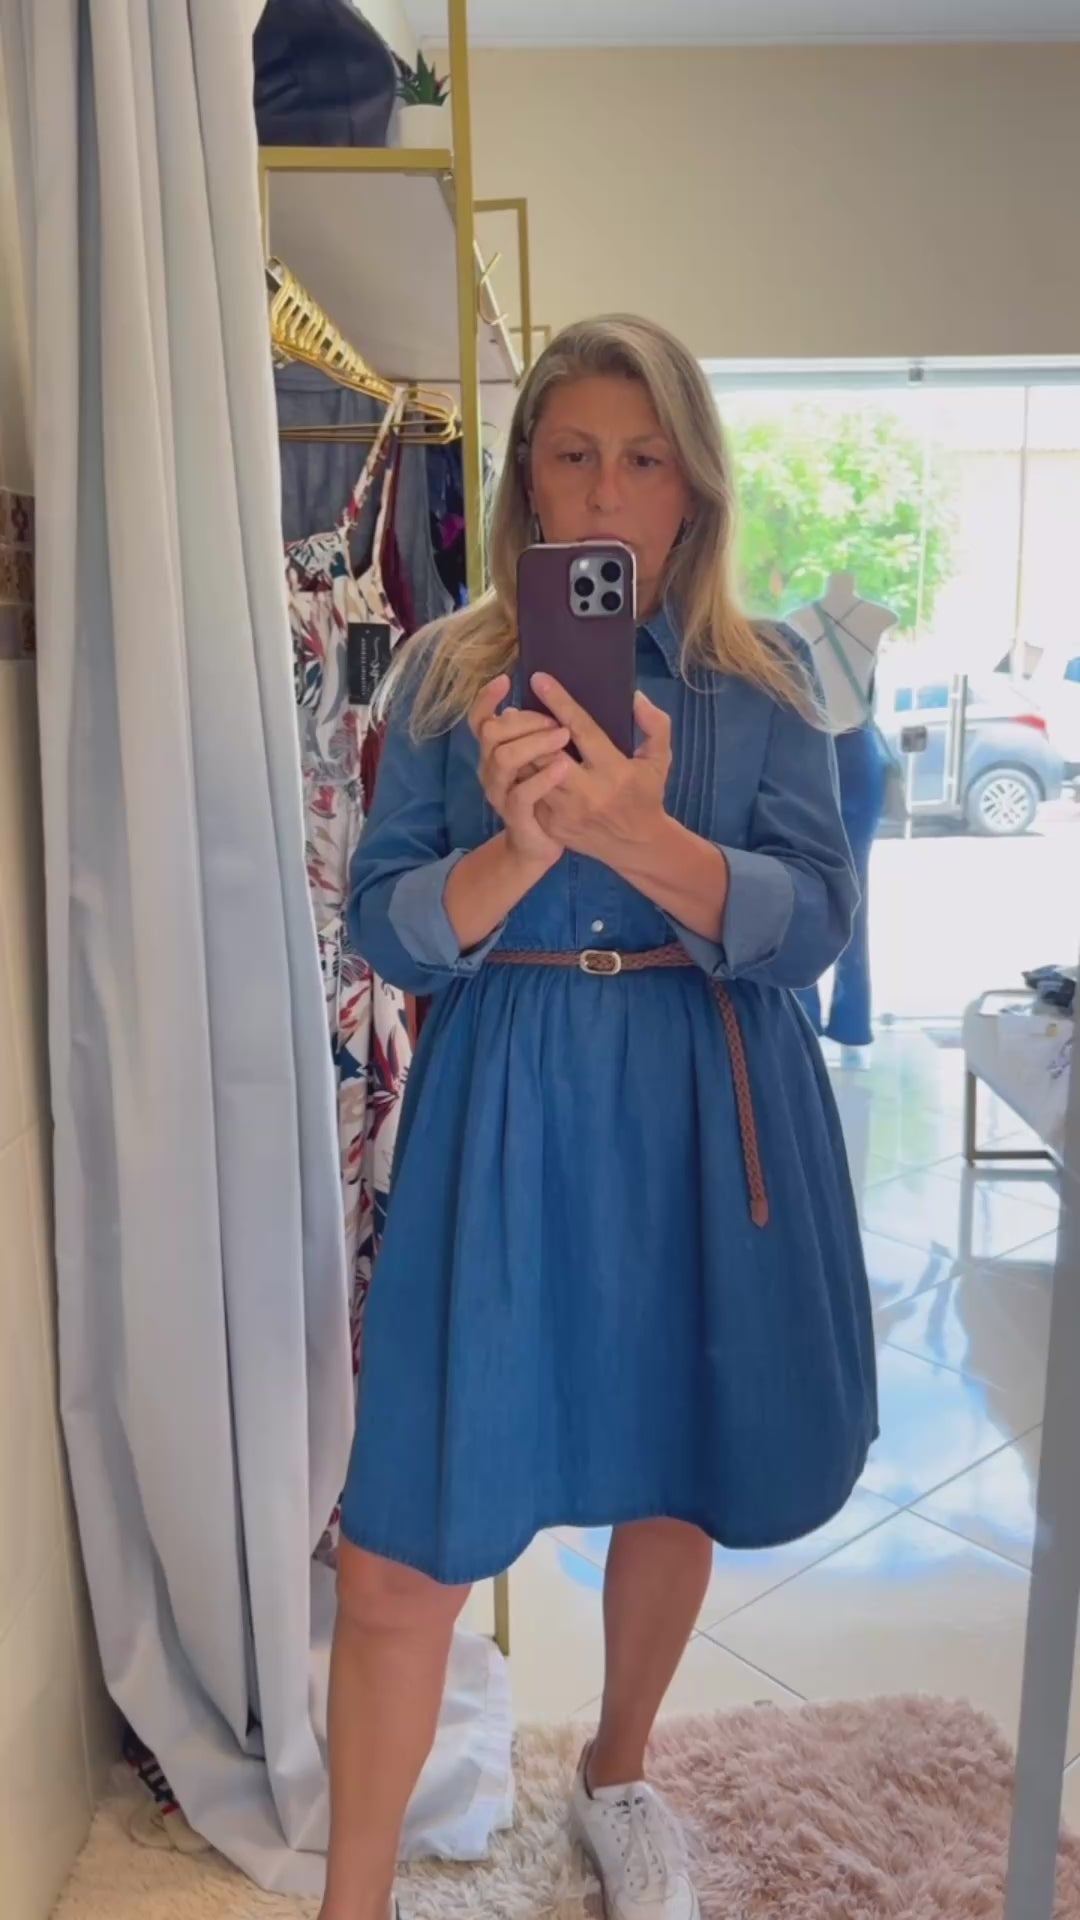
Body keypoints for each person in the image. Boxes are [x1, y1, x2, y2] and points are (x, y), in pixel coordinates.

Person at [319, 315, 878, 1920]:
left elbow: (815, 923)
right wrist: (514, 849)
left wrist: (638, 834)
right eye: (576, 454)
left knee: (673, 1460)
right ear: (531, 485)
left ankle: (617, 1773)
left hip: (708, 1104)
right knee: (406, 1536)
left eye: (645, 457)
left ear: (694, 485)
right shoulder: (448, 672)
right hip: (508, 1109)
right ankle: (352, 1900)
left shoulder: (768, 680)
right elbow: (386, 924)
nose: (612, 489)